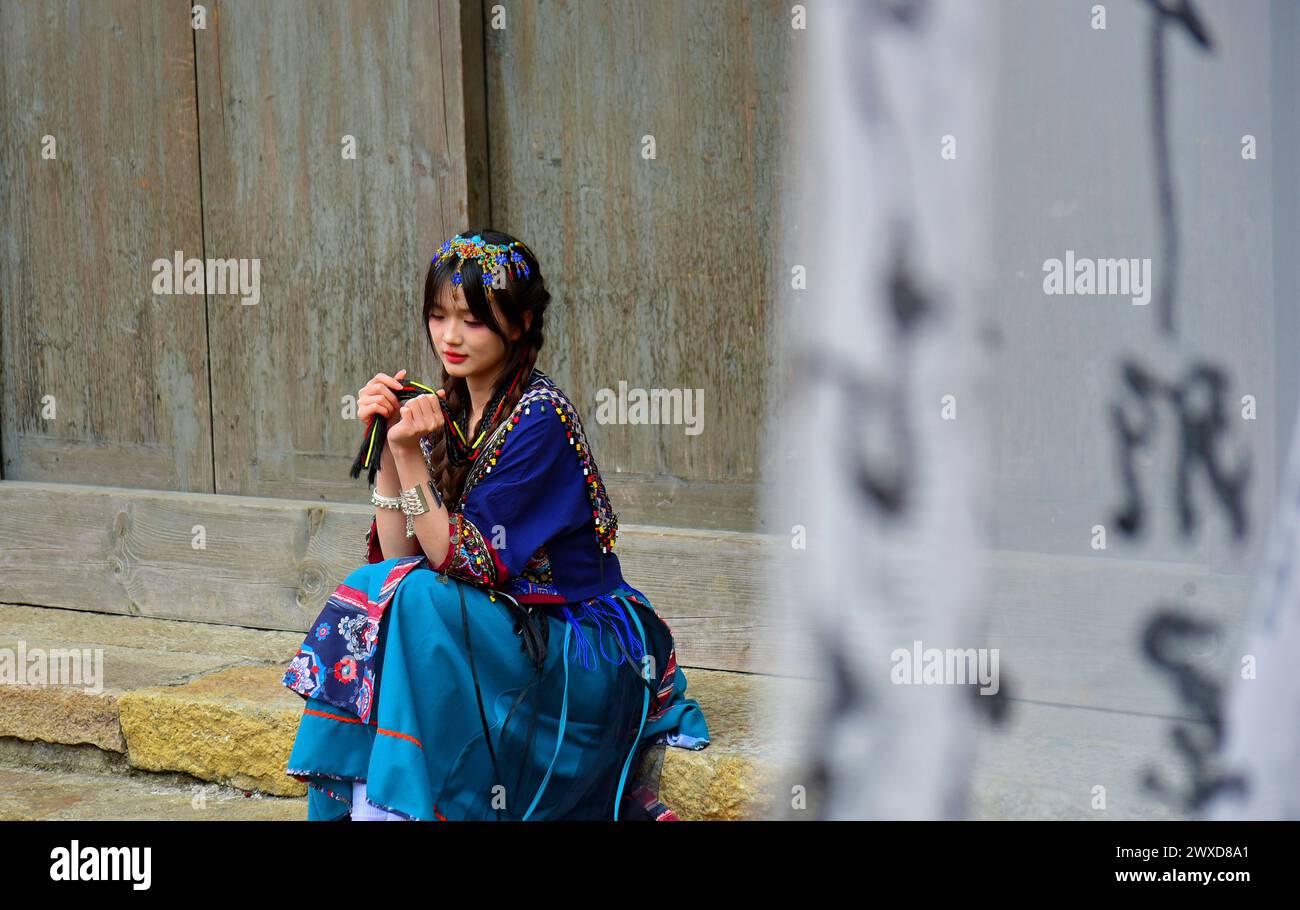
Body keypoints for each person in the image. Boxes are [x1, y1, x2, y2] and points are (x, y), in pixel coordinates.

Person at [281, 228, 710, 820]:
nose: (449, 337)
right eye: (437, 316)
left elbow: (457, 561)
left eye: (473, 320)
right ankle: (375, 807)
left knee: (413, 600)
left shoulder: (540, 418)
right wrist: (386, 454)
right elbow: (397, 553)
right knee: (383, 589)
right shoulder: (452, 407)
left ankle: (397, 808)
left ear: (522, 321)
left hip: (576, 647)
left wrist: (410, 457)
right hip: (502, 627)